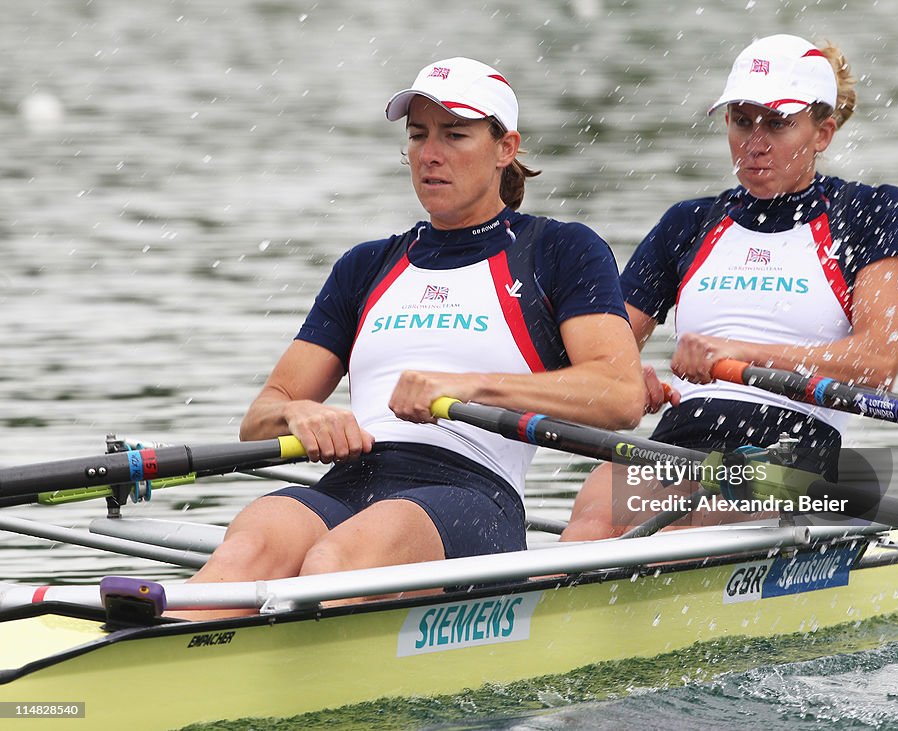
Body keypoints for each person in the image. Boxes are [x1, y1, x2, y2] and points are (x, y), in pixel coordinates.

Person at [182, 57, 645, 614]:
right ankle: (149, 660)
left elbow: (620, 395)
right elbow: (260, 416)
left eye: (455, 135)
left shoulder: (559, 250)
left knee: (333, 563)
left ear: (506, 148)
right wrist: (299, 415)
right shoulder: (367, 265)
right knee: (249, 547)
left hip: (472, 493)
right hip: (352, 479)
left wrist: (465, 388)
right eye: (418, 135)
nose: (430, 153)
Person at [561, 34, 898, 541]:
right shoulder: (687, 223)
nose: (755, 143)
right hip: (678, 441)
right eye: (741, 120)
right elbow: (593, 360)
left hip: (794, 446)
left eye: (777, 124)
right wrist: (622, 376)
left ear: (823, 133)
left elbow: (877, 363)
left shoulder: (870, 213)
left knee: (675, 538)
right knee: (594, 524)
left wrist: (741, 353)